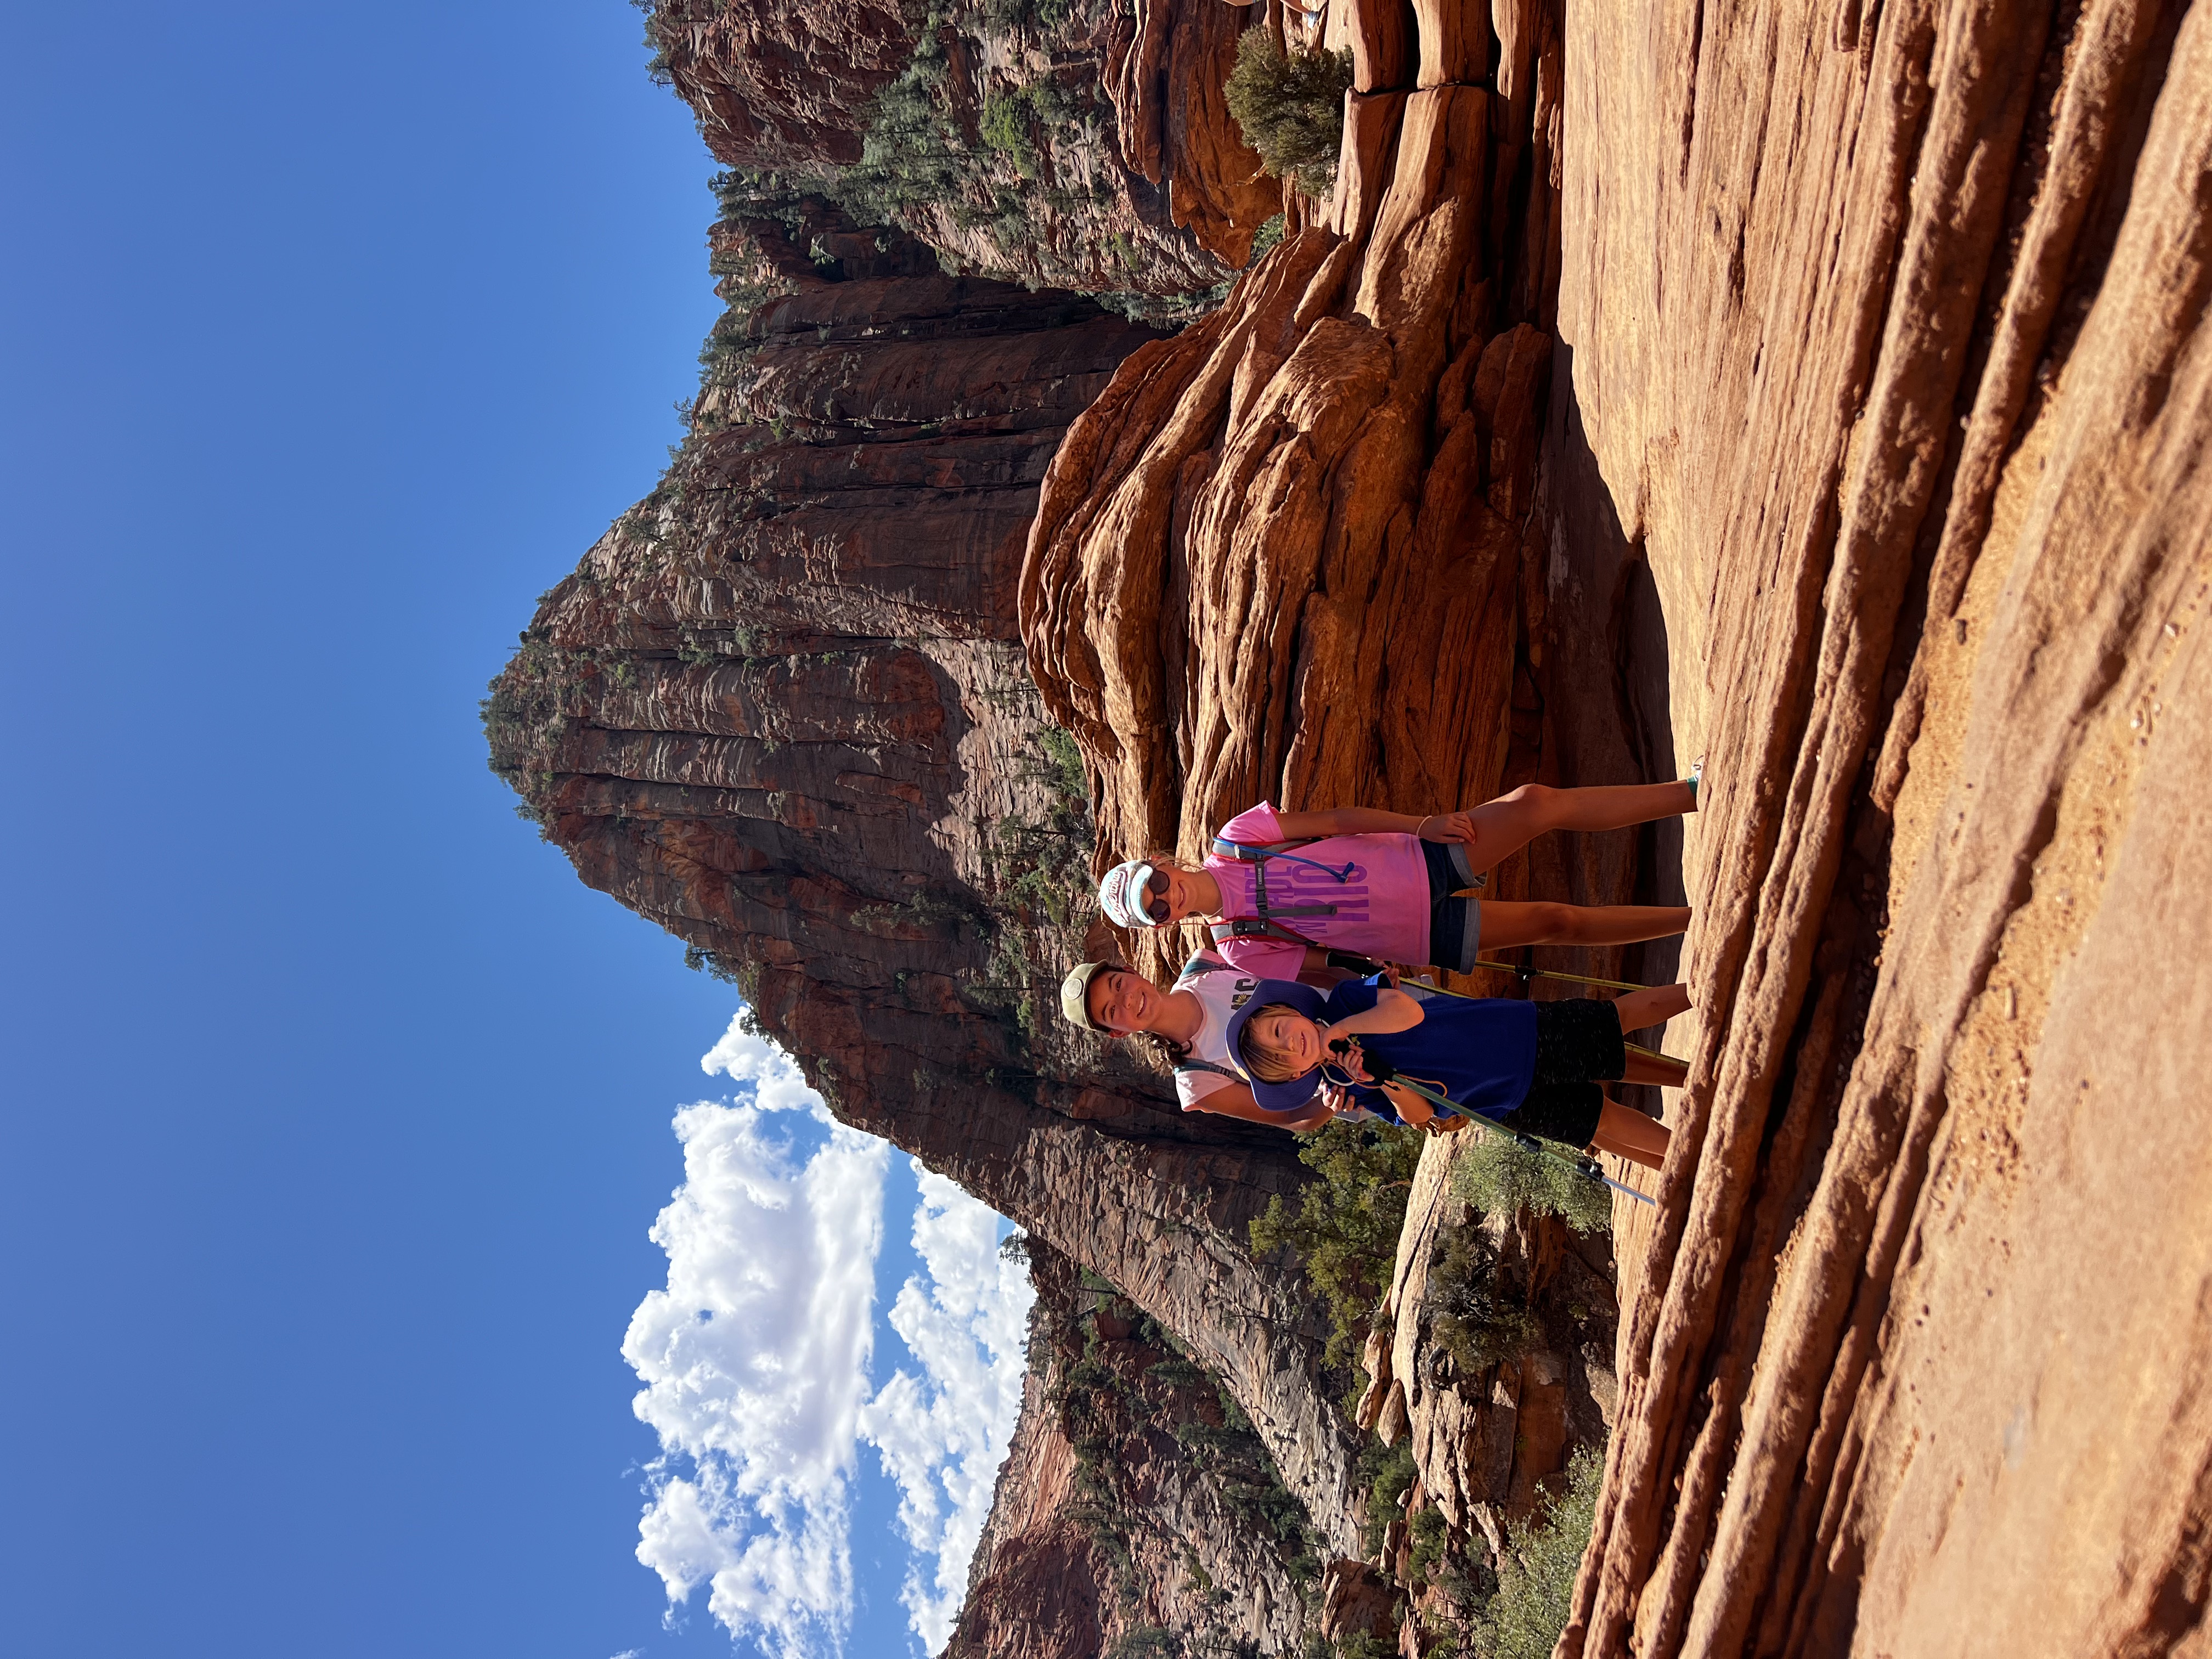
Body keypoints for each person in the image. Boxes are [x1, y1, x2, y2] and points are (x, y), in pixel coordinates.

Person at [1095, 772, 1701, 983]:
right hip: (1416, 935)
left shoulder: (1236, 839)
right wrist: (1379, 980)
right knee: (1554, 922)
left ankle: (1688, 795)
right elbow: (1326, 970)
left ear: (1161, 862)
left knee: (1536, 803)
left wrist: (1422, 823)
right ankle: (1692, 924)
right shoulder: (1237, 947)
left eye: (1152, 880)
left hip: (1416, 857)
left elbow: (1336, 820)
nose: (1163, 896)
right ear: (1161, 924)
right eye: (1153, 909)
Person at [1224, 974, 1684, 1170]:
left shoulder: (1344, 1000)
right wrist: (1380, 1080)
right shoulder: (1346, 1088)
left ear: (1288, 1009)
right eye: (1283, 1060)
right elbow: (1421, 1115)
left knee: (1612, 1021)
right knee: (1596, 1119)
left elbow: (1405, 1011)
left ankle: (1699, 991)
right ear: (1293, 1077)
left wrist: (1343, 1029)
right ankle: (1687, 1153)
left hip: (1510, 1033)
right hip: (1498, 1101)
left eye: (1281, 1030)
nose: (1292, 1044)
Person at [1059, 952, 1335, 1131]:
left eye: (1118, 985)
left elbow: (1296, 971)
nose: (1126, 1000)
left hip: (1357, 999)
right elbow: (1291, 1118)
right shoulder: (1196, 1081)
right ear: (1118, 1032)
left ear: (1130, 971)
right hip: (1353, 1072)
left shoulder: (1204, 964)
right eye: (1112, 1011)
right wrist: (1343, 1093)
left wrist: (1358, 976)